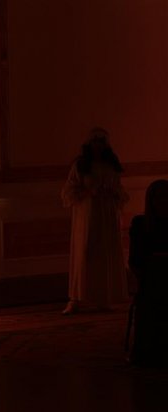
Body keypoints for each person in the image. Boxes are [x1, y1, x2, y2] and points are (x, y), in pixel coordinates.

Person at [60, 128, 129, 314]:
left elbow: (119, 189)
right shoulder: (81, 166)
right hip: (87, 215)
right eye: (95, 142)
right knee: (84, 252)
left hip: (107, 215)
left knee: (104, 253)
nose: (98, 146)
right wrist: (89, 192)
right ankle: (76, 298)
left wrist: (113, 193)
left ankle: (103, 297)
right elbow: (69, 190)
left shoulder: (110, 165)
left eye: (101, 142)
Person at [128, 179, 168, 366]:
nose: (163, 201)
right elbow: (135, 259)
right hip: (151, 280)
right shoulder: (140, 224)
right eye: (159, 197)